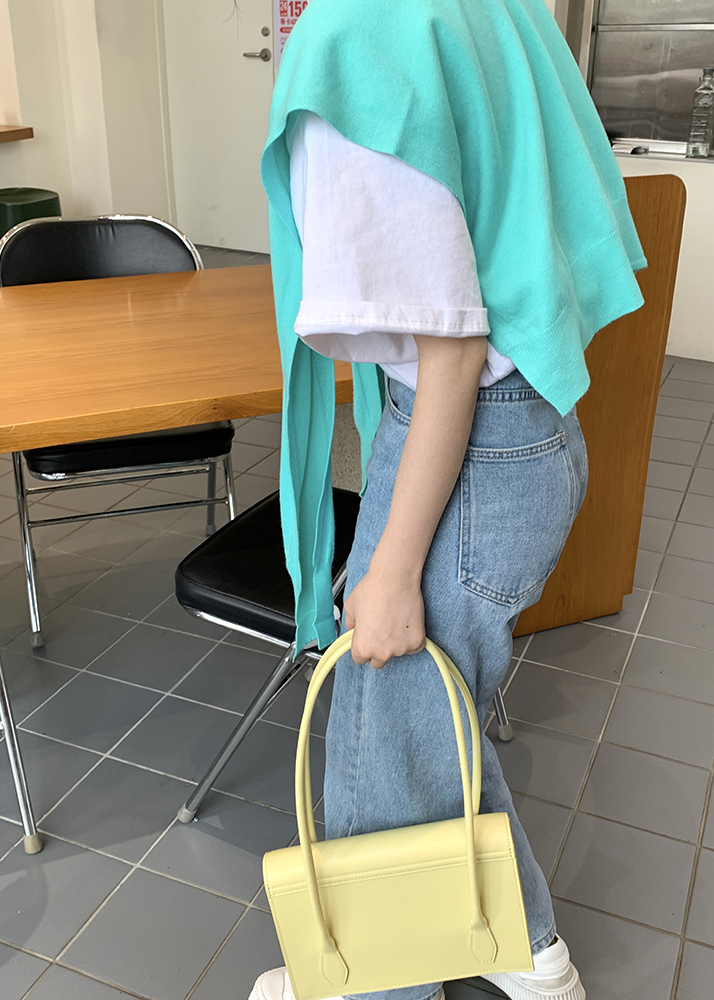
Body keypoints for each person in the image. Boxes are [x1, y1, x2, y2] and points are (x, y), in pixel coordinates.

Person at [254, 1, 647, 999]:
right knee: (421, 711)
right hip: (528, 423)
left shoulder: (356, 45)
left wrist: (390, 570)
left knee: (391, 709)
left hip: (467, 439)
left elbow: (453, 349)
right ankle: (524, 947)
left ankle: (372, 977)